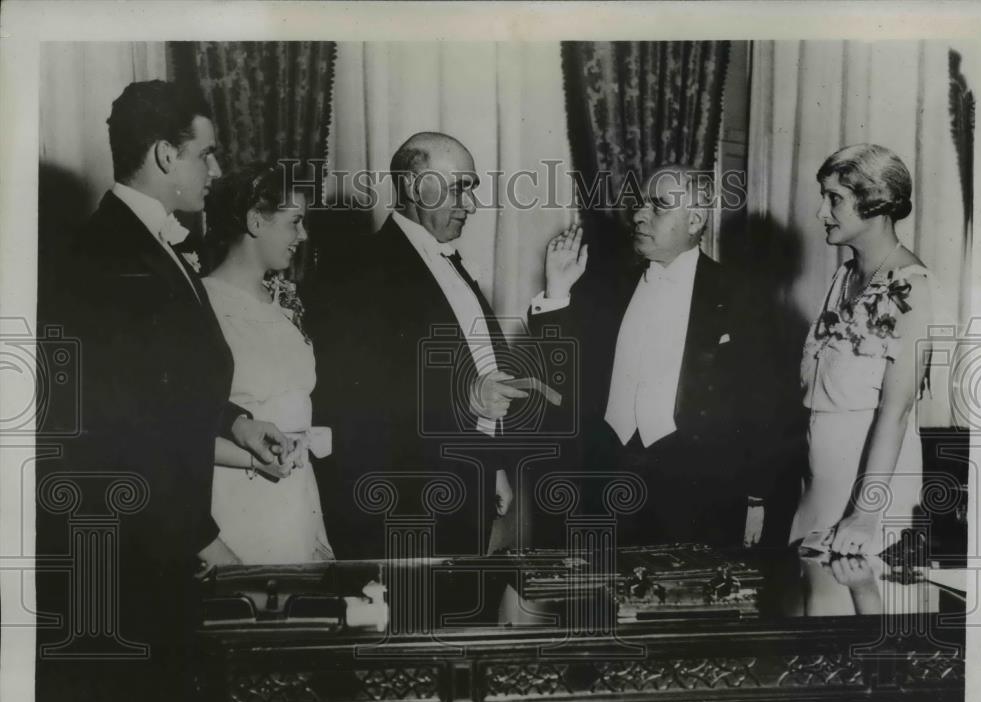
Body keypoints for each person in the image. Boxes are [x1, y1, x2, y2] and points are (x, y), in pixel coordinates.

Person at [37, 80, 289, 702]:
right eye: (205, 154)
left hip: (154, 542)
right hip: (128, 554)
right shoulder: (108, 255)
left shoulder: (146, 242)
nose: (214, 171)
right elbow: (119, 426)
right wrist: (206, 540)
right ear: (165, 155)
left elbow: (165, 381)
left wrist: (235, 420)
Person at [530, 164, 778, 548]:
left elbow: (760, 403)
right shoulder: (606, 286)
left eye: (658, 206)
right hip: (604, 484)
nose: (639, 214)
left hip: (698, 494)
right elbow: (560, 372)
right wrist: (557, 291)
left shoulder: (741, 295)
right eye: (640, 203)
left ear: (695, 219)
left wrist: (757, 498)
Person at [311, 132, 526, 559]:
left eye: (472, 189)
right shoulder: (358, 271)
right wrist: (464, 396)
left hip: (468, 487)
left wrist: (493, 463)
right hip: (406, 502)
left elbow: (480, 363)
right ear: (413, 187)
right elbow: (353, 394)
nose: (471, 204)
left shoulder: (451, 263)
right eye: (459, 187)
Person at [790, 144, 932, 556]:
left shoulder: (912, 286)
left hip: (870, 493)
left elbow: (897, 409)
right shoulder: (844, 275)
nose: (821, 212)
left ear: (874, 202)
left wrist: (866, 513)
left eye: (834, 198)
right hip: (819, 483)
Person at [202, 164, 334, 563]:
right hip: (236, 494)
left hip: (296, 492)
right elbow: (179, 425)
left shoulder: (285, 301)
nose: (303, 235)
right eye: (295, 222)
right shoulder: (203, 305)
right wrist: (253, 461)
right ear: (256, 222)